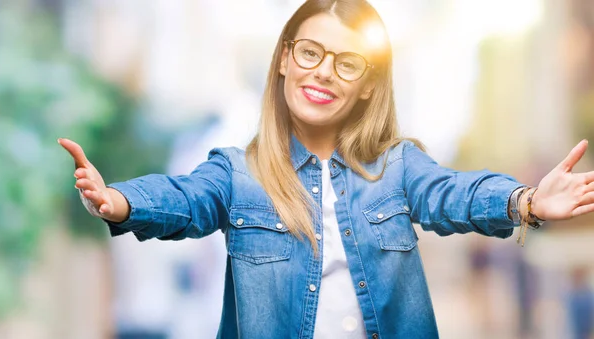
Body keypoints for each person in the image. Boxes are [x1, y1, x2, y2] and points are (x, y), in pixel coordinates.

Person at [59, 0, 594, 338]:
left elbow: (453, 192)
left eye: (348, 62)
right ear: (286, 58)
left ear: (367, 82)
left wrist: (525, 201)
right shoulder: (238, 174)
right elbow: (185, 198)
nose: (324, 74)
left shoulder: (398, 167)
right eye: (311, 52)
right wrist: (122, 202)